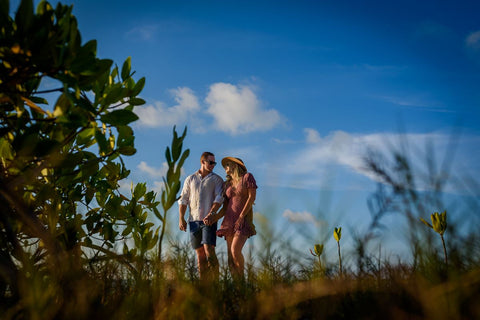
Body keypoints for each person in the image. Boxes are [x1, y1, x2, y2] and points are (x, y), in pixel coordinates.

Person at [204, 157, 257, 280]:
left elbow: (251, 198)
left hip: (242, 219)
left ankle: (242, 282)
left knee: (235, 251)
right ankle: (235, 286)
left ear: (235, 165)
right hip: (228, 221)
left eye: (227, 165)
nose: (225, 168)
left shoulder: (247, 177)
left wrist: (241, 216)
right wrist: (214, 218)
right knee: (230, 257)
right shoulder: (226, 184)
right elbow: (225, 207)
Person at [178, 152, 224, 280]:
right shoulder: (190, 179)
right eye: (211, 162)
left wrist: (211, 214)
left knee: (209, 249)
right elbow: (183, 199)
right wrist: (181, 218)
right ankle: (203, 284)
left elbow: (219, 199)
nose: (213, 165)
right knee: (200, 254)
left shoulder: (217, 180)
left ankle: (215, 282)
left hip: (208, 221)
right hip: (193, 221)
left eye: (214, 163)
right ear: (202, 162)